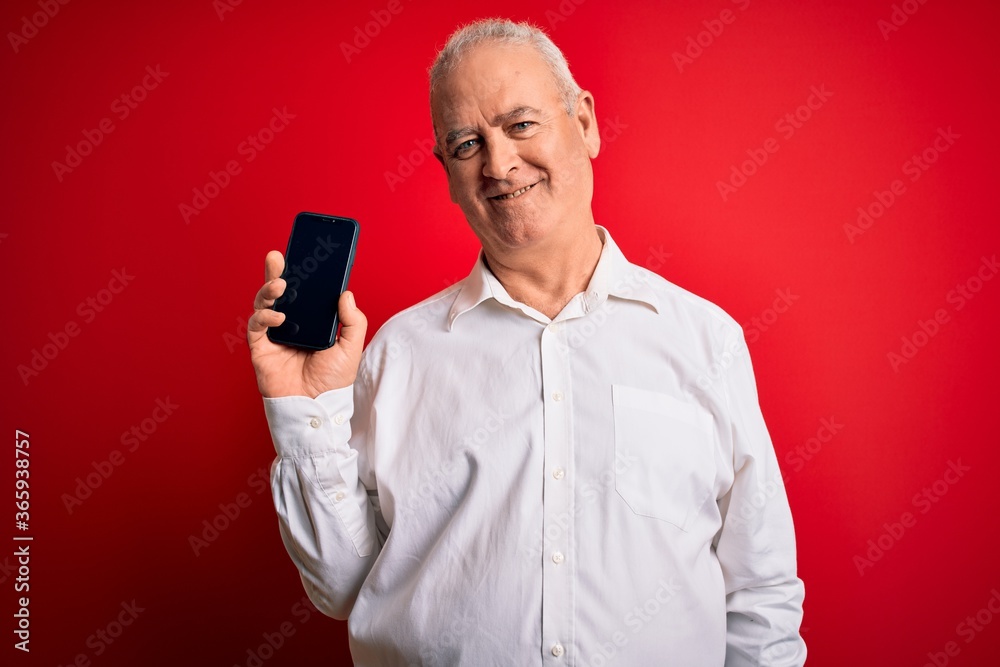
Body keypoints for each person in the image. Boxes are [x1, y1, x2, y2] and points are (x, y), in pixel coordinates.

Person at [248, 18, 806, 667]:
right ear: (448, 172)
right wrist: (304, 411)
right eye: (466, 144)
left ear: (586, 122)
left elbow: (761, 592)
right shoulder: (396, 356)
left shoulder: (706, 339)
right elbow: (342, 587)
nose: (499, 163)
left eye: (520, 125)